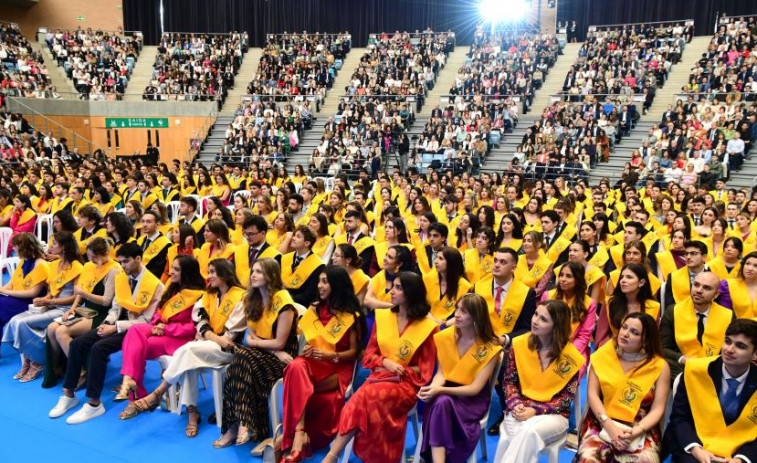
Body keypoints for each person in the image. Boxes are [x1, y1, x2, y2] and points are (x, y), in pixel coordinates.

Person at [119, 259, 245, 434]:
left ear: (225, 274)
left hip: (226, 351)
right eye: (208, 272)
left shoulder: (241, 297)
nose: (209, 276)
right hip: (203, 344)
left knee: (186, 351)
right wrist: (209, 335)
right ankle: (192, 412)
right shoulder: (209, 295)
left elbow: (229, 335)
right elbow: (199, 321)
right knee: (187, 357)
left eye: (213, 272)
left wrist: (207, 335)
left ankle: (158, 393)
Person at [323, 272, 438, 463]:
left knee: (366, 397)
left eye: (398, 288)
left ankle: (335, 455)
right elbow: (369, 355)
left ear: (411, 293)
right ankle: (334, 455)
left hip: (406, 384)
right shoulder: (383, 317)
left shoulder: (428, 327)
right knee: (364, 397)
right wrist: (386, 362)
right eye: (392, 286)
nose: (391, 291)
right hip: (379, 377)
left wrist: (399, 368)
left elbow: (425, 369)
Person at [47, 242, 164, 422]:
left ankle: (94, 404)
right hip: (115, 323)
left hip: (136, 330)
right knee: (78, 344)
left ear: (138, 259)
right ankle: (69, 394)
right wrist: (108, 322)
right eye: (121, 262)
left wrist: (115, 327)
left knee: (98, 349)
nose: (122, 266)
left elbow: (145, 320)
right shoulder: (123, 277)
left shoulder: (155, 285)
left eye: (125, 262)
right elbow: (116, 306)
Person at [280, 266, 365, 461]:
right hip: (313, 364)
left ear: (337, 285)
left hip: (337, 368)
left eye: (325, 281)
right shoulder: (315, 309)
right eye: (319, 281)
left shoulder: (352, 316)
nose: (319, 285)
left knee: (297, 386)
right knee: (295, 366)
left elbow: (354, 352)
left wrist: (329, 356)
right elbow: (311, 343)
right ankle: (300, 434)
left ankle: (290, 440)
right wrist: (309, 351)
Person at [213, 258, 298, 448]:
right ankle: (241, 424)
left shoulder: (284, 302)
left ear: (271, 275)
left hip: (282, 357)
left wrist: (261, 346)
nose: (253, 275)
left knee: (240, 359)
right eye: (253, 271)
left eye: (259, 272)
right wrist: (260, 345)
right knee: (241, 360)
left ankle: (236, 426)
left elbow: (280, 342)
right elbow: (250, 335)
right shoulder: (251, 298)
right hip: (262, 353)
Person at [493, 299, 584, 463]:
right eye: (536, 314)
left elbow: (565, 399)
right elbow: (508, 381)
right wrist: (515, 403)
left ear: (556, 326)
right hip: (519, 409)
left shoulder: (571, 358)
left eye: (543, 319)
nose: (535, 321)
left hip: (553, 414)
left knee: (528, 432)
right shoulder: (519, 344)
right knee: (524, 435)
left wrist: (536, 410)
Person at [419, 293, 502, 462]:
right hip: (447, 390)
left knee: (441, 402)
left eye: (463, 311)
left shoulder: (490, 347)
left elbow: (475, 389)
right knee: (441, 402)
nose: (456, 314)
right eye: (457, 308)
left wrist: (439, 390)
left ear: (476, 316)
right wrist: (433, 388)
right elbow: (441, 373)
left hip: (471, 400)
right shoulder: (445, 337)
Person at [577, 313, 670, 462]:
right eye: (624, 328)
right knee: (589, 459)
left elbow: (658, 409)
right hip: (601, 422)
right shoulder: (603, 355)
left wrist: (635, 431)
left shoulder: (659, 366)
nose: (625, 334)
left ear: (645, 339)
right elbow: (592, 395)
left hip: (640, 428)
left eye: (634, 332)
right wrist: (610, 428)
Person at [114, 255, 205, 407]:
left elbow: (193, 326)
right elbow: (159, 312)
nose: (171, 272)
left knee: (135, 345)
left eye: (176, 269)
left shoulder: (199, 296)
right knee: (135, 331)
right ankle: (129, 381)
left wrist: (167, 329)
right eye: (172, 268)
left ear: (187, 272)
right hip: (161, 330)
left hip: (181, 338)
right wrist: (157, 324)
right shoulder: (174, 288)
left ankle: (133, 390)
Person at [663, 319, 757, 463]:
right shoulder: (696, 371)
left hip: (740, 452)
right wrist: (696, 450)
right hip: (694, 447)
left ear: (755, 354)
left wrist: (741, 459)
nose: (729, 349)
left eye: (740, 346)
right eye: (727, 341)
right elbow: (679, 418)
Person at [474, 247, 538, 435]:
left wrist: (504, 339)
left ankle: (506, 411)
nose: (497, 265)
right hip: (480, 342)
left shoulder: (526, 293)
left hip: (510, 345)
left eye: (503, 262)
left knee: (504, 366)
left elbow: (527, 327)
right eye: (496, 260)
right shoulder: (479, 287)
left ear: (513, 267)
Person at [3, 232, 81, 383]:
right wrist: (45, 299)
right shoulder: (54, 264)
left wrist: (50, 302)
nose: (50, 246)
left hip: (64, 309)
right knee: (14, 320)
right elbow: (51, 292)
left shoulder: (77, 267)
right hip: (50, 306)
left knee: (21, 323)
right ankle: (29, 359)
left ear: (64, 247)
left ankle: (37, 361)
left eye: (54, 244)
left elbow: (76, 297)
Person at [44, 237, 119, 388]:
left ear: (105, 253)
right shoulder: (89, 266)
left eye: (94, 256)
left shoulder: (113, 270)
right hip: (84, 309)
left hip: (100, 313)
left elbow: (106, 300)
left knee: (61, 332)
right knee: (51, 329)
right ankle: (60, 366)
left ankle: (80, 372)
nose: (91, 259)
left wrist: (85, 295)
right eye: (90, 256)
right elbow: (81, 290)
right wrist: (73, 307)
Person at [660, 271, 735, 379]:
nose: (699, 290)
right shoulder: (673, 311)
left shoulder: (728, 316)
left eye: (707, 288)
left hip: (714, 370)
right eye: (696, 285)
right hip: (681, 368)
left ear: (716, 294)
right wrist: (684, 359)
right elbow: (663, 347)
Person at [541, 261, 596, 363]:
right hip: (547, 345)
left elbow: (584, 335)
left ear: (578, 279)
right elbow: (540, 326)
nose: (563, 279)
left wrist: (567, 354)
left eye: (568, 276)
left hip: (573, 348)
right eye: (561, 275)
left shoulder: (589, 303)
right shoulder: (548, 296)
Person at [596, 263, 660, 348]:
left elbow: (653, 340)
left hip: (641, 352)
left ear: (641, 282)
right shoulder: (610, 302)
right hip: (612, 350)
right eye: (622, 277)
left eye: (629, 277)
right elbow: (601, 336)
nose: (623, 280)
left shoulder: (654, 307)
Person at [0, 233, 49, 336]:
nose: (13, 248)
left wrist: (4, 291)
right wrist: (2, 289)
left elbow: (32, 293)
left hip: (30, 302)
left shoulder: (41, 265)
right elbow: (12, 283)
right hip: (17, 297)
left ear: (23, 248)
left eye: (15, 246)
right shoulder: (24, 261)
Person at [424, 246, 471, 325]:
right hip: (427, 320)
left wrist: (445, 324)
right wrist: (432, 319)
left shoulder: (465, 286)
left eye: (440, 259)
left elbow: (465, 313)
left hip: (451, 325)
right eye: (436, 257)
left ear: (451, 263)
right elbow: (419, 305)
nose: (435, 261)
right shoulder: (429, 278)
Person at [281, 225, 325, 307]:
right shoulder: (285, 258)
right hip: (281, 301)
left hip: (301, 306)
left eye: (298, 236)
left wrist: (289, 300)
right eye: (294, 235)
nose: (293, 238)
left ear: (307, 243)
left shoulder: (318, 266)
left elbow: (310, 294)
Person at [232, 214, 281, 285]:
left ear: (263, 233)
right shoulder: (239, 250)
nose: (248, 237)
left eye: (251, 234)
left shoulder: (274, 256)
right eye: (245, 234)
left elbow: (273, 284)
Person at [663, 241, 709, 308]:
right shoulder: (673, 277)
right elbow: (669, 305)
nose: (688, 257)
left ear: (704, 257)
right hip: (679, 314)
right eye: (686, 254)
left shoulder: (713, 277)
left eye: (693, 253)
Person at [718, 251, 757, 318]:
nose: (750, 268)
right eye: (747, 264)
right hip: (737, 326)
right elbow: (725, 315)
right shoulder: (728, 285)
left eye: (756, 266)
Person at [135, 210, 171, 278]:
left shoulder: (166, 244)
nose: (144, 225)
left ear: (157, 224)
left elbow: (159, 270)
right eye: (143, 221)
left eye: (148, 222)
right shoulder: (140, 240)